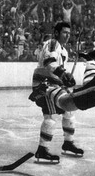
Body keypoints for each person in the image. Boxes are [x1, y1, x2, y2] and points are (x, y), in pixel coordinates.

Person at [30, 22, 84, 163]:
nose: (67, 35)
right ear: (56, 33)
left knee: (69, 111)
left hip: (52, 83)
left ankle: (68, 143)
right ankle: (42, 150)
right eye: (64, 32)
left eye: (69, 33)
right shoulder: (52, 43)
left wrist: (65, 79)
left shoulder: (63, 50)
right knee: (51, 116)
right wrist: (64, 75)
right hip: (43, 84)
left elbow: (58, 72)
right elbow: (50, 62)